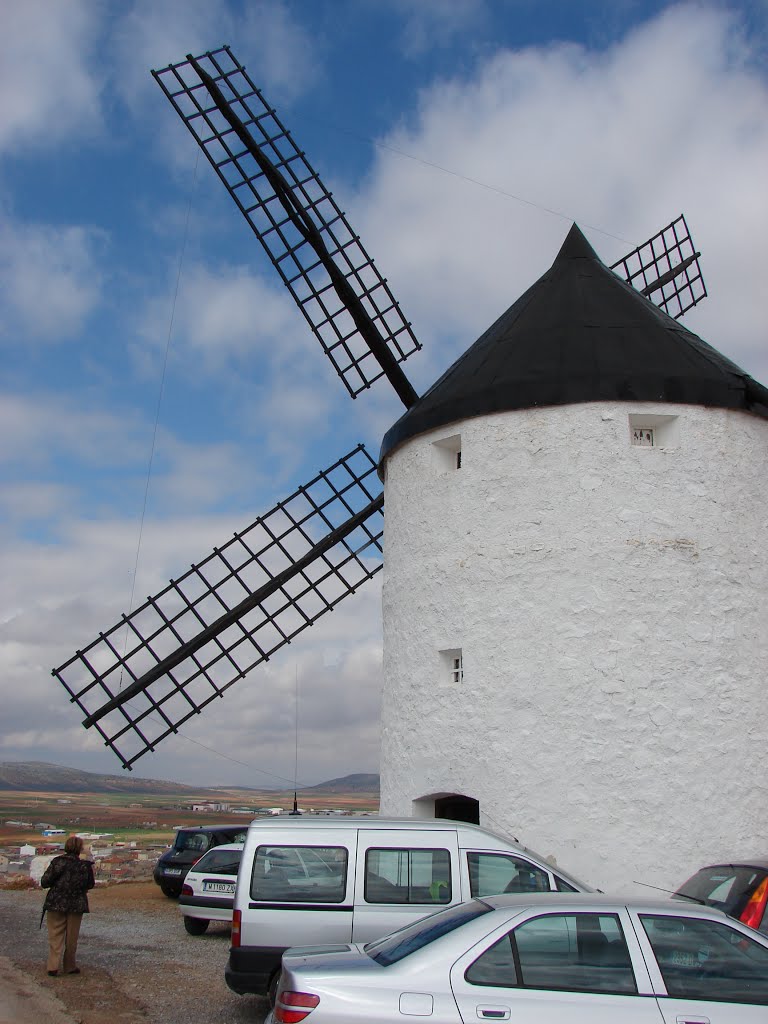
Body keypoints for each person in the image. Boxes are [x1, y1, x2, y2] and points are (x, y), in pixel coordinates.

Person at [40, 835, 95, 977]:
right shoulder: (85, 866)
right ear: (80, 848)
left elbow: (45, 881)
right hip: (76, 904)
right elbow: (90, 884)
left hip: (56, 902)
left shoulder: (58, 862)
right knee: (72, 937)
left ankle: (53, 965)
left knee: (55, 935)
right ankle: (70, 966)